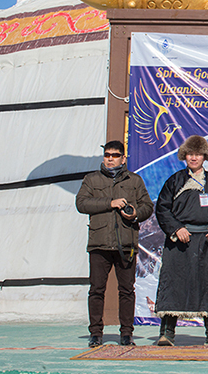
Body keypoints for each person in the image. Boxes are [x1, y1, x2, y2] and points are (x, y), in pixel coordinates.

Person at [154, 135, 208, 347]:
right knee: (175, 284)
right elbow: (162, 208)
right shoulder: (175, 181)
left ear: (205, 156)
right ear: (184, 156)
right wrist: (176, 228)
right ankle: (167, 333)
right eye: (190, 154)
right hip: (180, 242)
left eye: (198, 154)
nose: (194, 157)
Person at [76, 140, 153, 347]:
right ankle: (95, 333)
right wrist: (110, 203)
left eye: (115, 155)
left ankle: (126, 334)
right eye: (107, 154)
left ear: (123, 158)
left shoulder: (134, 181)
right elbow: (81, 204)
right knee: (96, 290)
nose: (110, 158)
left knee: (127, 290)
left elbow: (148, 206)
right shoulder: (91, 179)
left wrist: (136, 213)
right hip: (99, 244)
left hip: (125, 243)